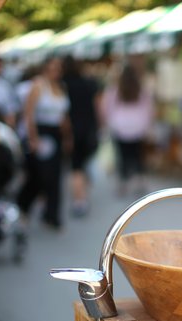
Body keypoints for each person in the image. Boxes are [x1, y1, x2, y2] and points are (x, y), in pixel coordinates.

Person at [17, 57, 72, 230]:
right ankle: (23, 206)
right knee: (39, 175)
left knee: (55, 176)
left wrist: (67, 137)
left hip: (55, 134)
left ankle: (52, 215)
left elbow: (63, 116)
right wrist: (33, 138)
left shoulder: (61, 87)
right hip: (41, 133)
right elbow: (29, 114)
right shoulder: (38, 85)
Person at [100, 63, 154, 196]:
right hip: (138, 127)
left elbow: (106, 108)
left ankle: (123, 184)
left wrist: (108, 123)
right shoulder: (140, 91)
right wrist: (147, 125)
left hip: (120, 127)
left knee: (123, 157)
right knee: (138, 156)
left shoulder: (114, 91)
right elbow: (149, 109)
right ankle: (140, 181)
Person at [62, 55, 101, 217]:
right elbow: (98, 106)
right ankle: (83, 195)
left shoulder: (63, 85)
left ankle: (79, 201)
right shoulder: (90, 83)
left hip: (72, 131)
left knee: (76, 167)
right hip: (89, 129)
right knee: (83, 164)